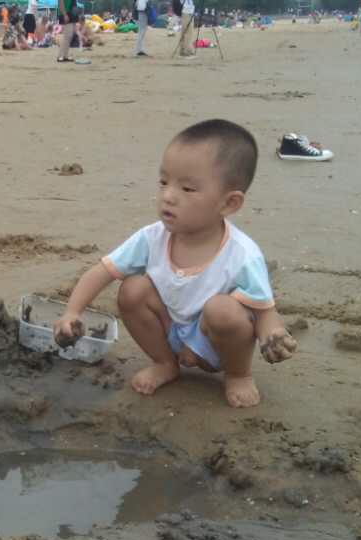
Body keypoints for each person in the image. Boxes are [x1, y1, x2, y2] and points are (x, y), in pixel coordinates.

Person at [53, 120, 295, 408]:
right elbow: (102, 271)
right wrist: (72, 312)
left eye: (188, 188)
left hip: (217, 343)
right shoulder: (152, 237)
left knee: (223, 310)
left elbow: (265, 310)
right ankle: (164, 363)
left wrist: (273, 335)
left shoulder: (242, 254)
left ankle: (238, 375)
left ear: (229, 203)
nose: (168, 195)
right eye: (164, 182)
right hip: (171, 330)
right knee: (133, 289)